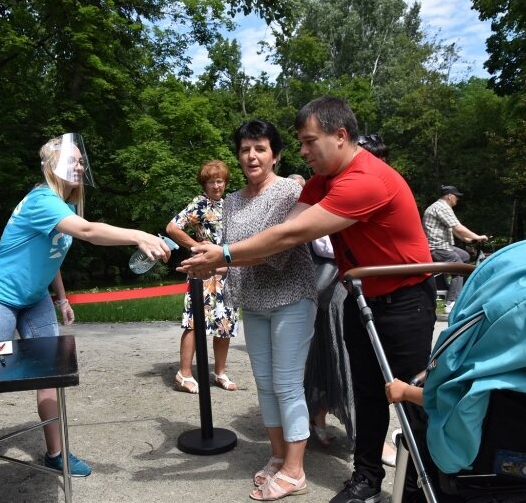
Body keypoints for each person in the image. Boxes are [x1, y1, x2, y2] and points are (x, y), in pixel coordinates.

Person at [180, 96, 436, 503]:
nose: (302, 151)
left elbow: (289, 236)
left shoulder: (364, 179)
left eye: (307, 141)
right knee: (368, 394)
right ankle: (367, 480)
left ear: (340, 136)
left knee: (414, 397)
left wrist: (225, 254)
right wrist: (224, 258)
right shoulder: (323, 180)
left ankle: (422, 486)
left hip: (405, 300)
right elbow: (283, 231)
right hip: (363, 297)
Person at [0, 133, 170, 481]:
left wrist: (61, 298)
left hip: (34, 299)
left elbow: (53, 256)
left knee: (52, 375)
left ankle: (56, 453)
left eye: (82, 161)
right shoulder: (42, 200)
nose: (80, 165)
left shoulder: (62, 207)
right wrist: (139, 235)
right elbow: (90, 231)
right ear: (52, 167)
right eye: (73, 160)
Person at [222, 120, 317, 501]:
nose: (251, 156)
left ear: (275, 154)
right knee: (264, 383)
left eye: (260, 148)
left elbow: (277, 250)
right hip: (255, 301)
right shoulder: (231, 200)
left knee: (287, 383)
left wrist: (221, 260)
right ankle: (279, 456)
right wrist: (219, 263)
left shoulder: (290, 192)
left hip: (292, 296)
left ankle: (296, 471)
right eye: (245, 149)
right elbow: (232, 247)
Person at [287, 174, 354, 449]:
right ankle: (319, 417)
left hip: (344, 285)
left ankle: (344, 423)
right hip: (325, 286)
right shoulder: (318, 206)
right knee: (325, 353)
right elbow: (325, 245)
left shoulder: (348, 195)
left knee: (343, 353)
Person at [166, 160, 240, 393]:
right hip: (204, 273)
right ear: (204, 184)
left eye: (220, 181)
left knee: (225, 323)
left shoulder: (231, 204)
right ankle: (184, 374)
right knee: (194, 321)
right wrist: (195, 246)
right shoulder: (200, 204)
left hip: (228, 272)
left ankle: (219, 372)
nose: (216, 186)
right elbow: (172, 228)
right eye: (211, 181)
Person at [422, 185, 488, 313]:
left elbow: (452, 228)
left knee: (465, 256)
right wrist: (477, 236)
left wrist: (467, 240)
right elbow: (458, 227)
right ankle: (451, 303)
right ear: (449, 196)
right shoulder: (442, 207)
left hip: (443, 246)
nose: (457, 199)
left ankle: (450, 287)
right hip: (438, 247)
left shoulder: (439, 206)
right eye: (456, 196)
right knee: (459, 269)